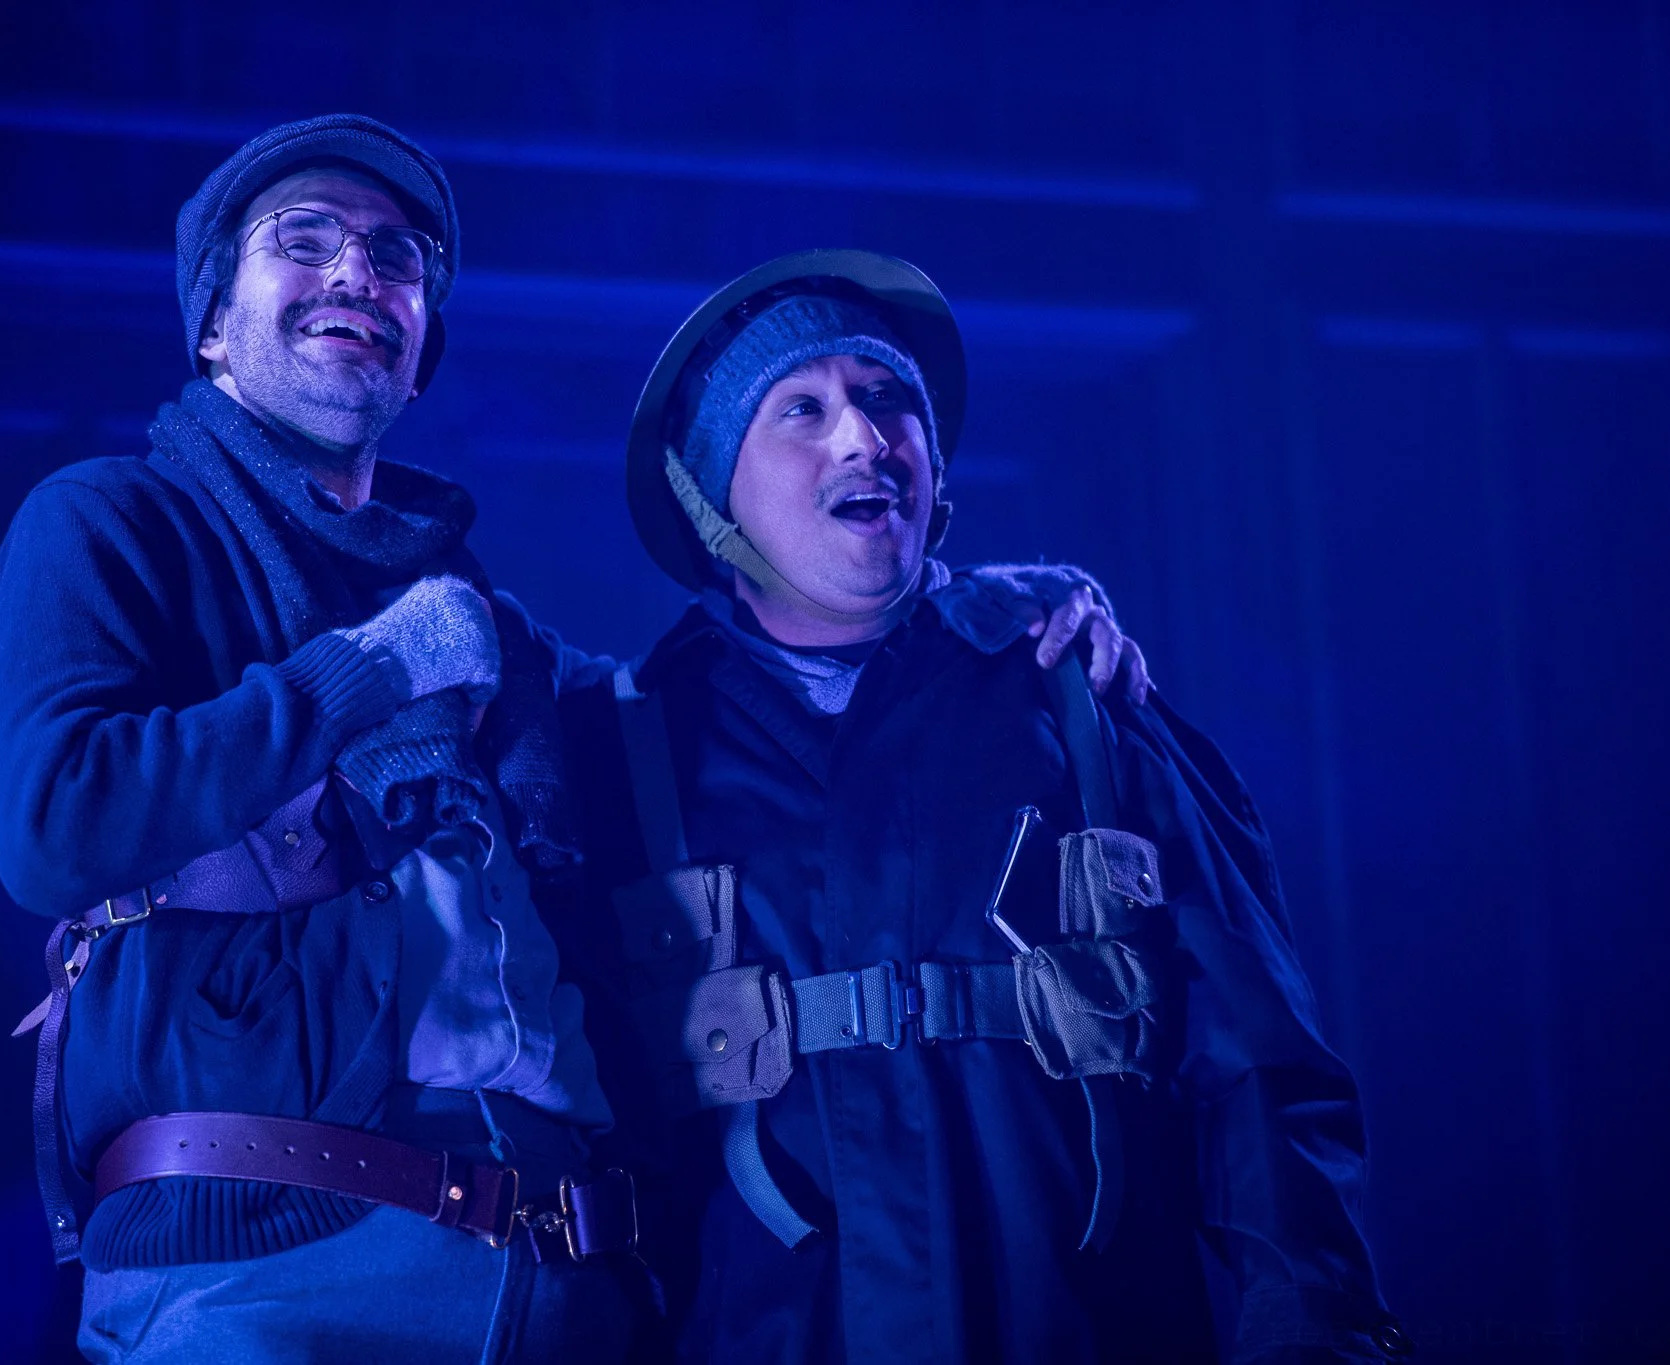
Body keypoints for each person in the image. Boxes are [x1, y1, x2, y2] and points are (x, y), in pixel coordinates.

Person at [0, 118, 1137, 1363]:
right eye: (299, 242)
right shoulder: (108, 524)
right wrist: (369, 671)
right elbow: (55, 822)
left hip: (546, 1280)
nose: (359, 272)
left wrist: (956, 601)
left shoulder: (484, 634)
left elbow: (720, 692)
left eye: (399, 258)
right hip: (265, 1275)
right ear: (211, 321)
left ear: (420, 352)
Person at [548, 250, 1414, 1364]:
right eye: (800, 411)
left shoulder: (1082, 703)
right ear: (717, 495)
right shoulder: (616, 756)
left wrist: (1313, 1342)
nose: (863, 440)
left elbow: (1259, 1078)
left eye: (887, 401)